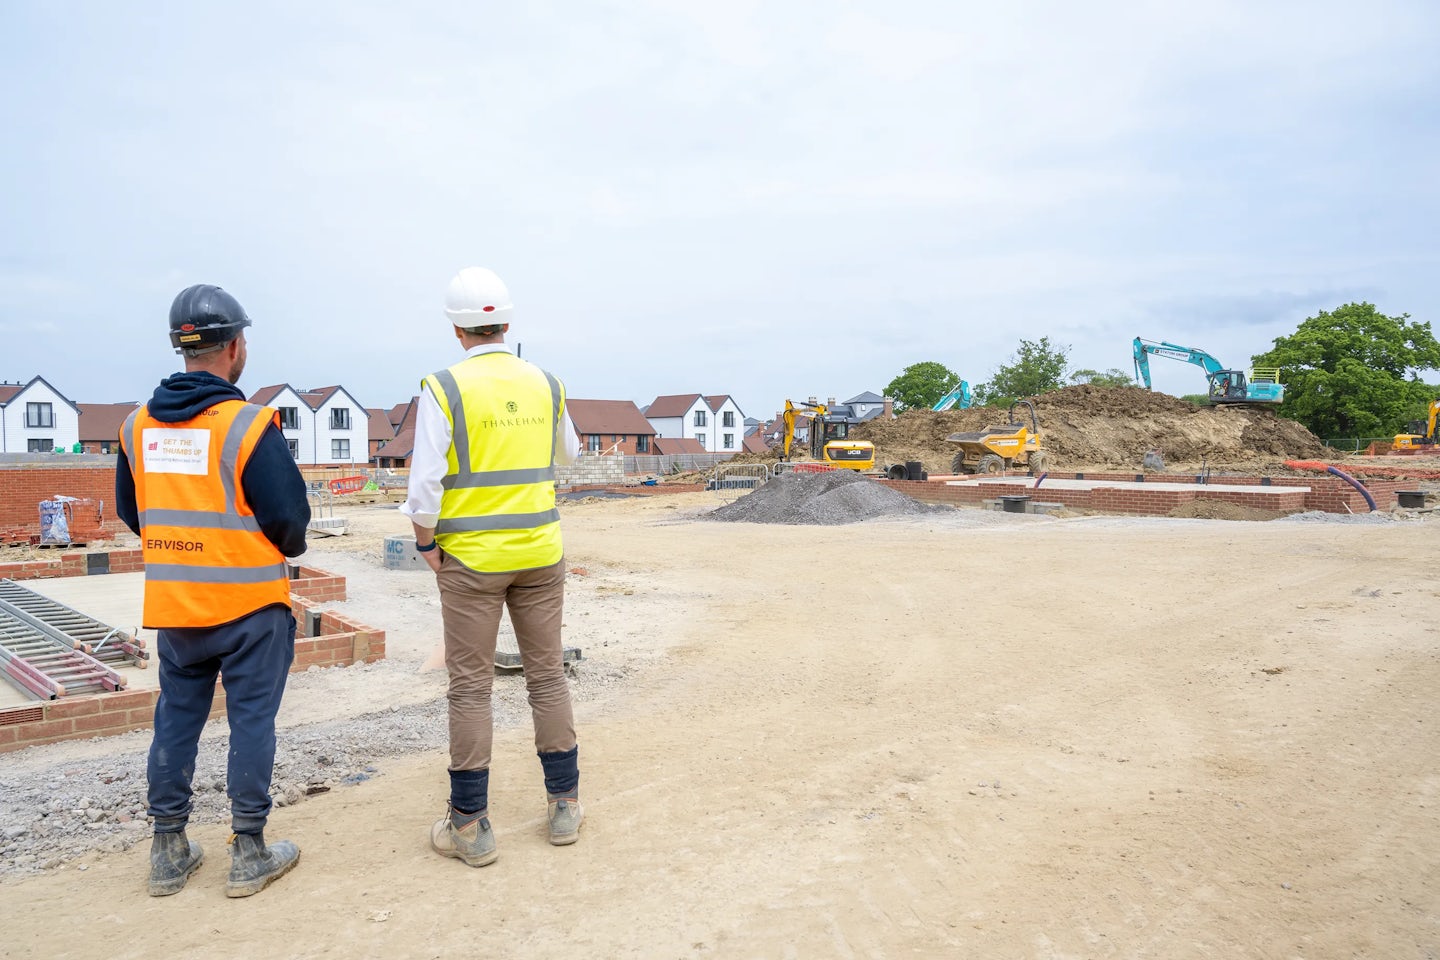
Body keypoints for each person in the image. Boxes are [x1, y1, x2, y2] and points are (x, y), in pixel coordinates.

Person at [116, 284, 310, 898]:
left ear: (182, 346)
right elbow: (290, 522)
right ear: (235, 347)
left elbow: (133, 510)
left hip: (177, 608)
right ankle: (249, 850)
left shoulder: (136, 427)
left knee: (176, 720)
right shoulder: (248, 425)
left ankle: (168, 849)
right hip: (251, 607)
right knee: (252, 722)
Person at [402, 266, 583, 867]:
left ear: (457, 329)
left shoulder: (445, 387)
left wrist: (428, 545)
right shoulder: (546, 383)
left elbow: (425, 484)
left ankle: (470, 825)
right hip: (539, 552)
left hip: (473, 560)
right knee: (547, 677)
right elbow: (569, 456)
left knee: (471, 686)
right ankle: (564, 807)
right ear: (507, 320)